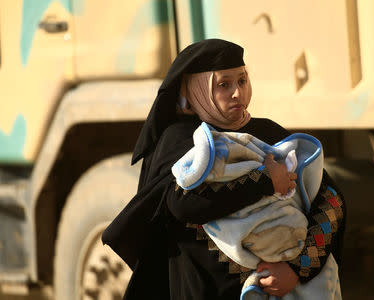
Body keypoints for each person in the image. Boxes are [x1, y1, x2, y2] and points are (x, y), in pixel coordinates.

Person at [102, 39, 346, 300]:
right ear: (196, 90)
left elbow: (331, 201)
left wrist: (296, 269)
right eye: (223, 84)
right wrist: (265, 182)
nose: (238, 93)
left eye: (242, 81)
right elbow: (184, 203)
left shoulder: (268, 133)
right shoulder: (180, 141)